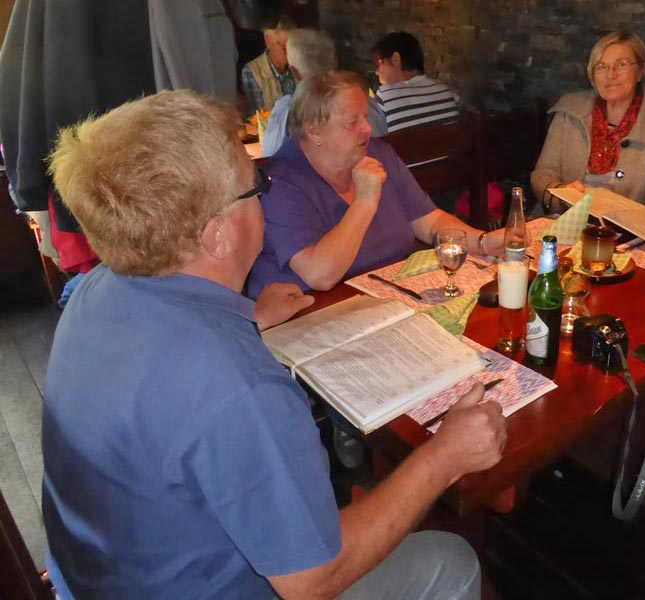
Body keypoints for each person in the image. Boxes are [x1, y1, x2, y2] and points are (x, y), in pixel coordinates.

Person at [42, 89, 507, 599]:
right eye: (256, 185)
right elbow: (312, 581)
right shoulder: (239, 385)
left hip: (101, 575)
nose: (265, 193)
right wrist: (445, 456)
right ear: (216, 235)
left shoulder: (95, 290)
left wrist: (252, 320)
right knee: (451, 560)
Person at [248, 70, 506, 295]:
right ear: (314, 130)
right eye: (352, 122)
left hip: (384, 294)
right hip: (310, 313)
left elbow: (428, 220)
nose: (368, 128)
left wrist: (483, 242)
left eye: (365, 116)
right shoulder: (281, 182)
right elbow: (320, 275)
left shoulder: (378, 153)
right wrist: (364, 202)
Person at [530, 30, 645, 214]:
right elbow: (543, 174)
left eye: (621, 64)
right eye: (601, 66)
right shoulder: (569, 109)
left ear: (640, 71)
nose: (611, 75)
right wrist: (562, 194)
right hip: (562, 220)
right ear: (592, 76)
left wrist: (628, 219)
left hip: (626, 231)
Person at [261, 28, 387, 158]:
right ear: (336, 61)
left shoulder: (287, 111)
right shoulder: (365, 103)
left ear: (294, 73)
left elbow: (269, 158)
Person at [372, 31, 460, 133]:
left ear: (395, 60)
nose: (376, 72)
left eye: (379, 64)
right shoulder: (444, 90)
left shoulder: (385, 95)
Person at [240, 21, 296, 114]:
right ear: (268, 41)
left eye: (292, 47)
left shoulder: (299, 65)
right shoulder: (252, 72)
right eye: (284, 47)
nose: (290, 52)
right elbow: (258, 116)